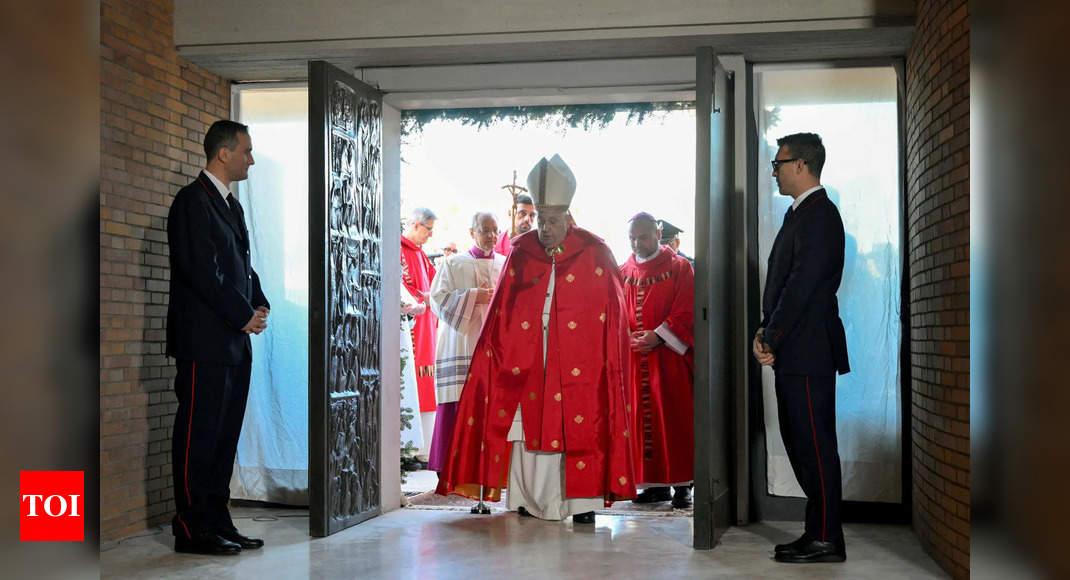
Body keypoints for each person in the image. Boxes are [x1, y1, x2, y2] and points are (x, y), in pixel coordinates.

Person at [436, 154, 636, 524]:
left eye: (552, 221)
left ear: (569, 219)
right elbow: (501, 312)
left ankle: (581, 503)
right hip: (527, 359)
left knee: (579, 423)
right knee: (523, 429)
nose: (544, 228)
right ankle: (525, 499)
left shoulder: (596, 252)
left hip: (581, 365)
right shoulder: (521, 251)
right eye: (541, 220)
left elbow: (614, 316)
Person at [165, 120, 269, 555]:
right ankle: (191, 528)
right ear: (223, 153)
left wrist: (258, 303)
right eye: (246, 150)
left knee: (224, 437)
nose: (250, 158)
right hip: (203, 343)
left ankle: (217, 519)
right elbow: (203, 270)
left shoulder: (231, 206)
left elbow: (241, 266)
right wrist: (241, 313)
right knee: (198, 434)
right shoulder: (192, 202)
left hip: (233, 343)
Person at [754, 132, 850, 564]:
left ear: (801, 165)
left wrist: (770, 336)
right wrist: (766, 331)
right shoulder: (800, 214)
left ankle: (828, 537)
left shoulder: (820, 215)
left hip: (809, 350)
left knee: (815, 444)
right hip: (795, 349)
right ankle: (818, 531)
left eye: (779, 163)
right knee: (799, 442)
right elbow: (783, 288)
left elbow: (801, 288)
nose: (774, 170)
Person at [619, 213, 695, 509]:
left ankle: (682, 485)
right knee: (640, 422)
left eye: (644, 237)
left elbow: (687, 309)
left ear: (658, 233)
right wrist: (627, 337)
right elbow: (614, 312)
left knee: (674, 420)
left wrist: (659, 335)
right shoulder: (622, 270)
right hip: (636, 359)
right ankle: (653, 486)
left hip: (669, 359)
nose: (638, 243)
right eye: (632, 238)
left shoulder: (679, 268)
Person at [426, 212, 506, 473]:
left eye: (495, 230)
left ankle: (489, 468)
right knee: (458, 400)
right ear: (472, 232)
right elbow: (437, 299)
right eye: (485, 230)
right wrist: (473, 297)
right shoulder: (453, 264)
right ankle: (450, 465)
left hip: (494, 345)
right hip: (462, 342)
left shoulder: (506, 264)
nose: (491, 236)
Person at [401, 207, 440, 458]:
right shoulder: (400, 250)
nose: (430, 235)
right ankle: (410, 448)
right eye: (428, 229)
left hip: (427, 327)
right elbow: (402, 285)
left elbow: (435, 281)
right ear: (416, 225)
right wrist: (420, 297)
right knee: (413, 384)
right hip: (412, 327)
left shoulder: (420, 253)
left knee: (426, 385)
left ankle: (424, 448)